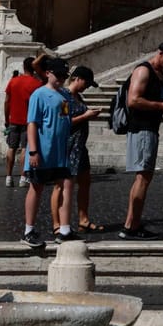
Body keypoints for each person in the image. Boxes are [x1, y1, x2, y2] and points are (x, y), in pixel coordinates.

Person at [120, 42, 163, 240]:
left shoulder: (159, 74)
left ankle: (132, 222)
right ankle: (131, 226)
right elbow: (133, 100)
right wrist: (161, 105)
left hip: (150, 129)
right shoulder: (143, 71)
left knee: (143, 177)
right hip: (142, 129)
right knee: (143, 177)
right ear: (161, 53)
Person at [22, 58, 78, 247]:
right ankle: (28, 230)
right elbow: (32, 123)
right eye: (58, 75)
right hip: (42, 151)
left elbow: (66, 120)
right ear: (48, 73)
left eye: (64, 76)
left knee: (63, 187)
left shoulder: (64, 96)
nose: (61, 79)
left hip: (60, 153)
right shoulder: (39, 94)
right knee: (36, 188)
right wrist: (33, 151)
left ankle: (64, 229)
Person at [56, 65, 102, 233]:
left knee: (85, 182)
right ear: (77, 79)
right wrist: (86, 116)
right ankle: (57, 224)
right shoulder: (64, 97)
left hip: (80, 147)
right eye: (87, 83)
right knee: (61, 186)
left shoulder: (79, 97)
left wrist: (89, 113)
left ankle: (84, 219)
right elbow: (63, 121)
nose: (87, 87)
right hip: (68, 146)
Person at [2, 55, 40, 188]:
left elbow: (6, 101)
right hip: (29, 121)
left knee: (11, 148)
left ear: (23, 67)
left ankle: (8, 176)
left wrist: (7, 119)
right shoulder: (36, 84)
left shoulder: (13, 81)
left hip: (14, 119)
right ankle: (23, 177)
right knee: (25, 148)